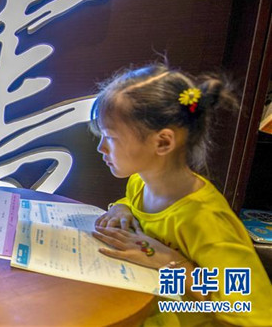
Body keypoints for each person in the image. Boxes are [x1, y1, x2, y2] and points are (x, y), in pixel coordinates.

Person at [90, 62, 272, 325]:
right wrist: (122, 207)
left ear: (163, 142)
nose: (101, 148)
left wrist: (171, 262)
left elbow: (251, 309)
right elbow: (135, 205)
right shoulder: (139, 183)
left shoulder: (203, 218)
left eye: (110, 137)